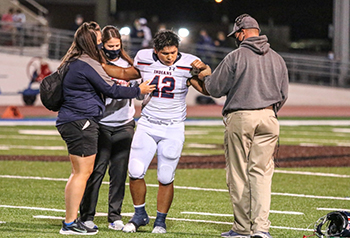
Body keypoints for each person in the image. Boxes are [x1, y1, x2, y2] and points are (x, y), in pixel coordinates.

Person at [102, 29, 208, 234]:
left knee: (166, 176)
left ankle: (161, 220)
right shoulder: (143, 57)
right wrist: (99, 67)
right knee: (134, 171)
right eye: (165, 53)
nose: (170, 57)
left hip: (173, 126)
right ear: (155, 51)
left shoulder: (189, 62)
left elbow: (207, 88)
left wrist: (205, 69)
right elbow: (125, 73)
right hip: (148, 123)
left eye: (173, 52)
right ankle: (139, 214)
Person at [192, 14, 289, 238]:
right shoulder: (277, 58)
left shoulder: (235, 56)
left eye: (236, 34)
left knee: (238, 174)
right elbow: (283, 95)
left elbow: (215, 89)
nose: (236, 38)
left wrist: (204, 75)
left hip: (242, 116)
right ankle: (261, 229)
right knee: (262, 174)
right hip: (269, 117)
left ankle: (243, 228)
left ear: (242, 33)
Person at [56, 21, 155, 235]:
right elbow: (111, 89)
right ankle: (77, 220)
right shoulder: (89, 63)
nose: (108, 48)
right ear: (92, 43)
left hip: (114, 123)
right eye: (102, 43)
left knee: (97, 172)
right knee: (87, 173)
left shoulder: (80, 61)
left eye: (112, 45)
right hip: (88, 122)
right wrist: (138, 89)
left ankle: (91, 219)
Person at [79, 25, 140, 231]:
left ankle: (115, 216)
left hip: (124, 124)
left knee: (119, 173)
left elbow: (139, 93)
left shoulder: (129, 64)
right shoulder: (95, 64)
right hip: (101, 124)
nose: (114, 48)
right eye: (109, 45)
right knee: (96, 171)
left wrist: (138, 89)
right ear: (101, 45)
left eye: (117, 45)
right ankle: (87, 215)